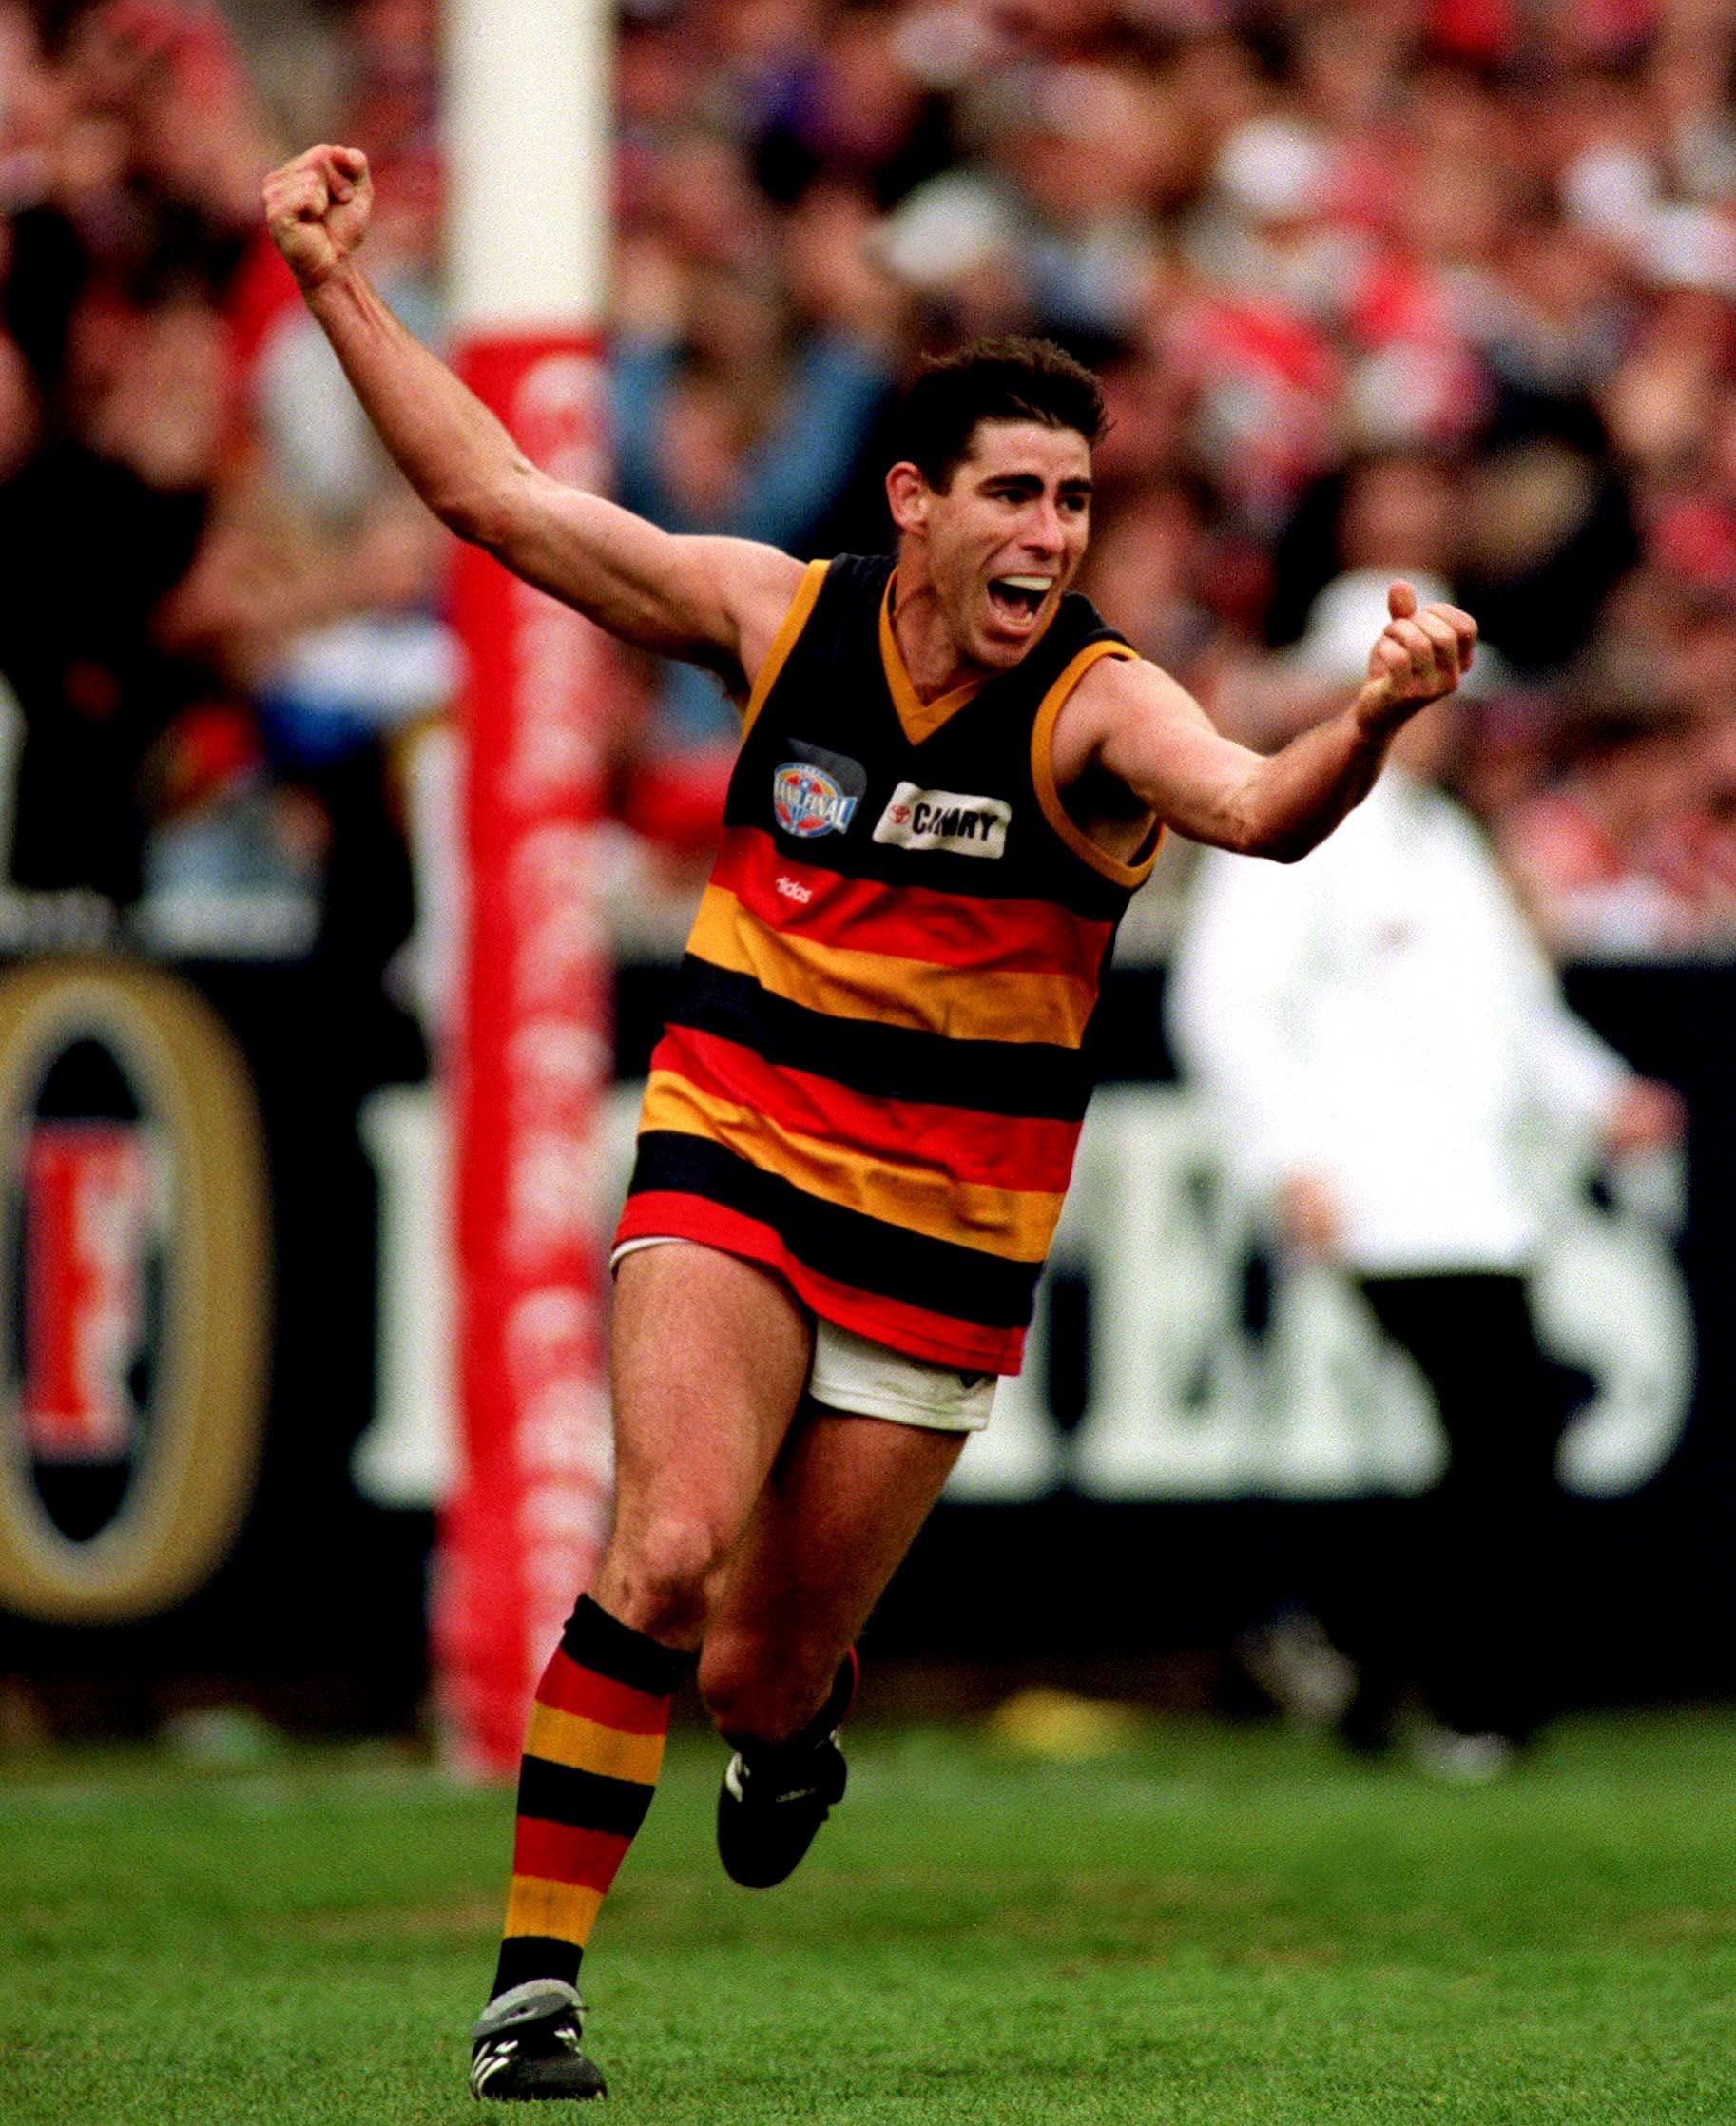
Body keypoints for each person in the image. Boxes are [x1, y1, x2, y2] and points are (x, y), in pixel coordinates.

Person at [262, 142, 1478, 2104]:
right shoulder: (775, 619)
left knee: (751, 1663)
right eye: (1016, 490)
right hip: (728, 1157)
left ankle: (789, 1720)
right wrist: (334, 284)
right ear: (916, 501)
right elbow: (493, 496)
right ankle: (533, 1988)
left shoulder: (1100, 710)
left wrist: (1376, 717)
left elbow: (1255, 805)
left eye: (1076, 498)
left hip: (941, 1248)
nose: (1052, 533)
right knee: (657, 1546)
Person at [1167, 689, 1683, 1778]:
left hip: (1476, 1201)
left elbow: (1510, 1011)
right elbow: (1221, 1002)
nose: (1444, 723)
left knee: (1493, 1436)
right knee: (1504, 1428)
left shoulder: (1439, 833)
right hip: (1380, 1196)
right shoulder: (1299, 824)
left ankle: (1352, 1653)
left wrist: (1600, 1097)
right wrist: (1286, 1157)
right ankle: (1461, 1692)